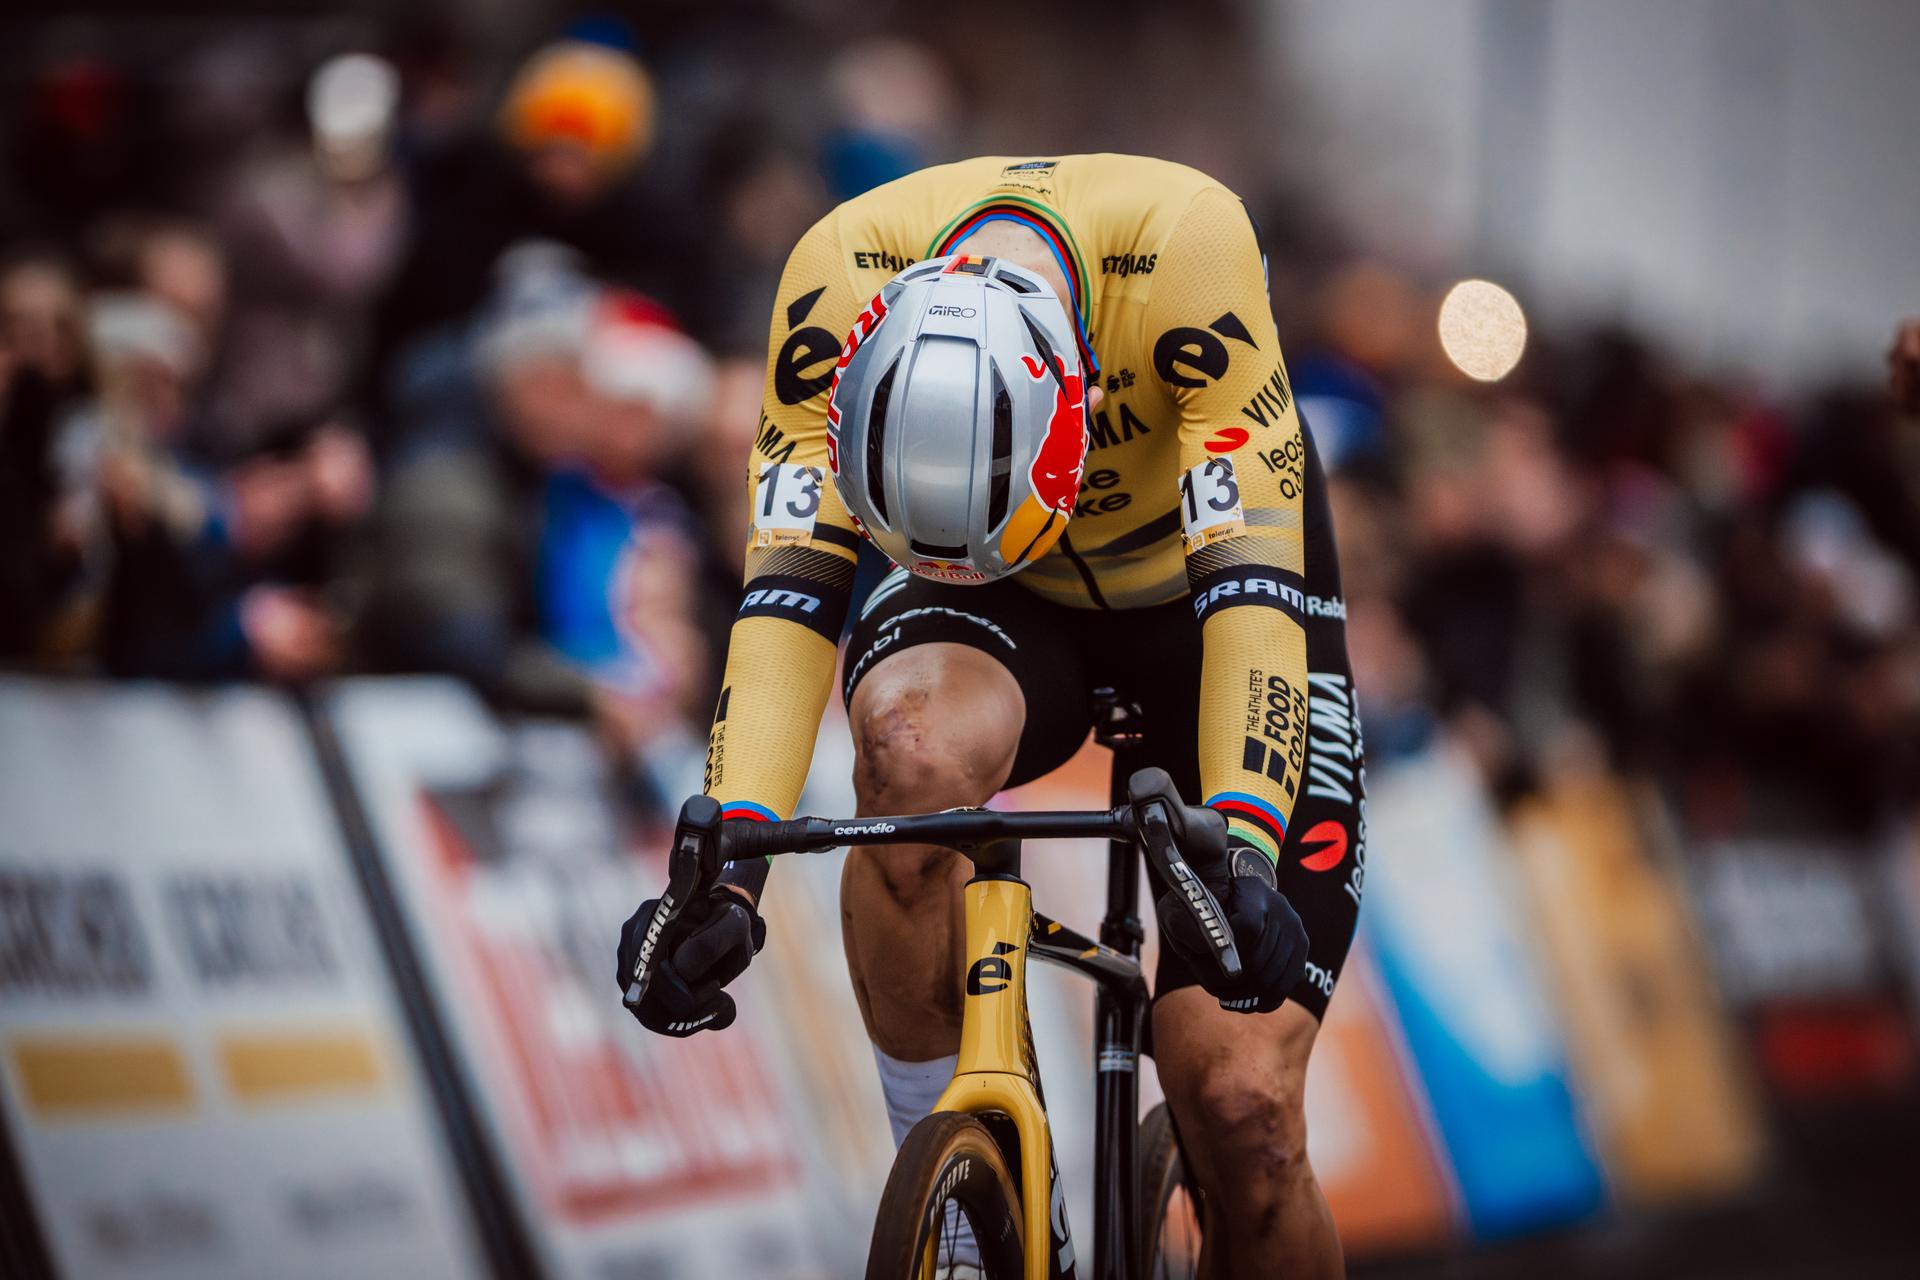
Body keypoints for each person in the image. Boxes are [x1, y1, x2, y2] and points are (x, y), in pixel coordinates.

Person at [619, 155, 1364, 1279]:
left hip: (1210, 597)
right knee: (906, 755)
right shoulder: (833, 276)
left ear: (1083, 404)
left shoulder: (1184, 254)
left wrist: (1247, 843)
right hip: (991, 599)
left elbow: (1254, 603)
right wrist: (728, 871)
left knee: (1238, 1093)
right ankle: (973, 1220)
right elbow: (786, 599)